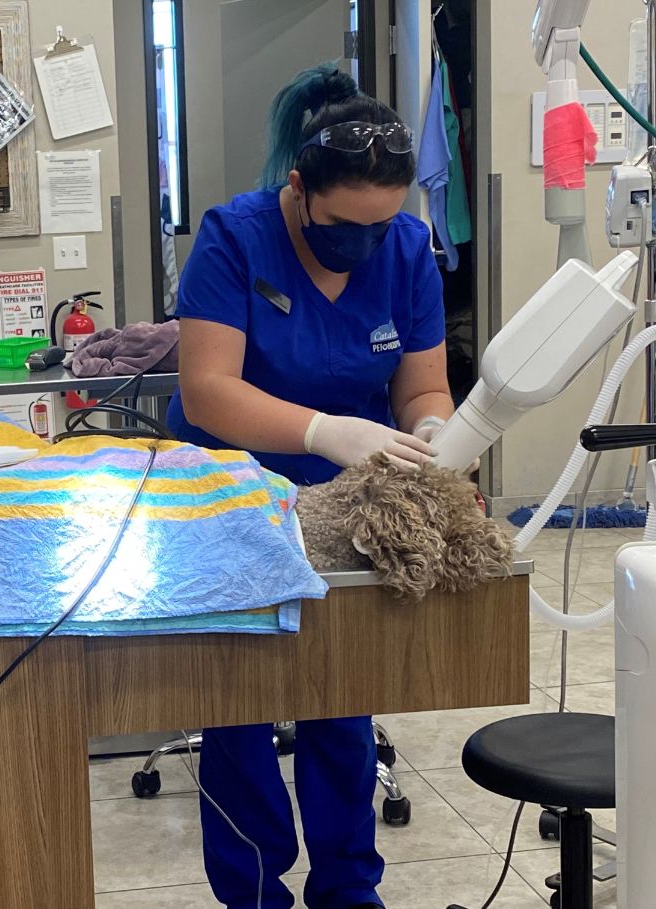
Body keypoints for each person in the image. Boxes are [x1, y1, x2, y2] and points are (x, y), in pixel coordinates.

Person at [167, 64, 456, 909]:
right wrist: (322, 430)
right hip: (232, 494)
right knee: (239, 704)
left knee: (343, 695)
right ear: (298, 189)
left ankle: (346, 888)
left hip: (350, 503)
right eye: (344, 224)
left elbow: (420, 384)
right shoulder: (235, 238)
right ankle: (253, 891)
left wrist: (432, 428)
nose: (365, 241)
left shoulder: (405, 248)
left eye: (384, 222)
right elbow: (207, 390)